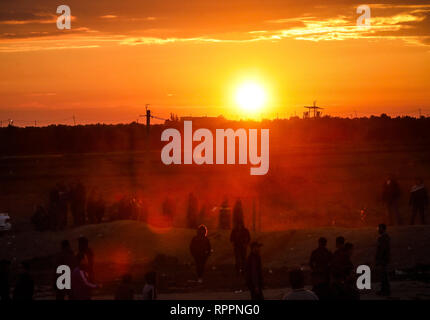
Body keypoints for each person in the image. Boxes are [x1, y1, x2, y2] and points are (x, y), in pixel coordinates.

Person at [375, 224, 391, 296]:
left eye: (379, 228)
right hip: (384, 259)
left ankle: (385, 291)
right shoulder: (385, 237)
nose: (378, 229)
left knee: (383, 275)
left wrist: (378, 259)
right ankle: (385, 290)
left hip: (383, 259)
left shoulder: (383, 237)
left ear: (382, 229)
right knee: (384, 275)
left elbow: (382, 249)